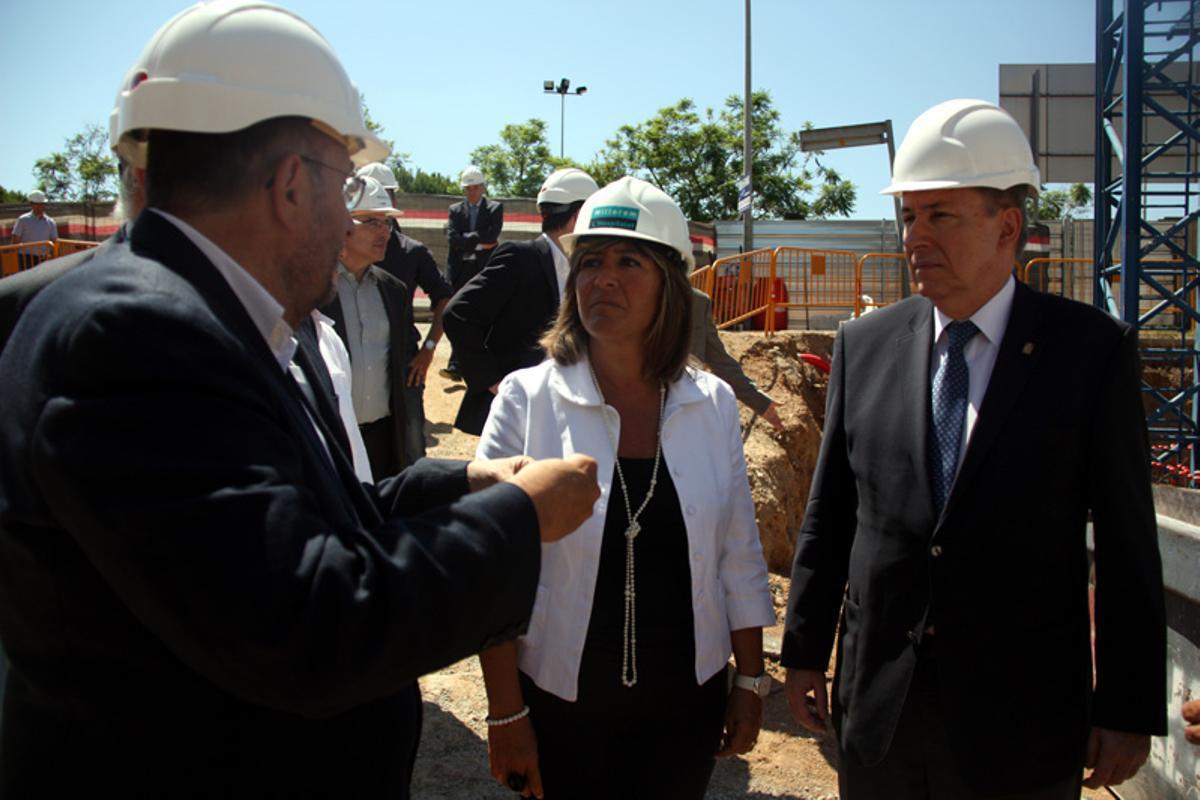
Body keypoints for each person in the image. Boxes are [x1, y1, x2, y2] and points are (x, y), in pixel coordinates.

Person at [0, 3, 600, 796]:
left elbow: (310, 518)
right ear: (290, 184)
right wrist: (521, 518)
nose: (353, 212)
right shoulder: (137, 335)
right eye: (343, 182)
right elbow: (310, 624)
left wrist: (460, 484)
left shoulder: (239, 325)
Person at [781, 99, 1166, 799]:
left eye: (941, 216)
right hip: (881, 720)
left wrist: (1128, 708)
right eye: (909, 216)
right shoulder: (863, 346)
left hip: (1019, 729)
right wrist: (804, 653)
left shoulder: (1090, 354)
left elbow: (1127, 548)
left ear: (1007, 226)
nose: (914, 238)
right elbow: (829, 515)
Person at [476, 176, 775, 800]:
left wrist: (749, 681)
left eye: (628, 261)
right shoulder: (525, 400)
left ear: (671, 283)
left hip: (685, 706)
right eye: (588, 262)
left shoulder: (712, 403)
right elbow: (490, 573)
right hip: (561, 701)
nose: (601, 278)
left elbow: (737, 552)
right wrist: (506, 713)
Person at [443, 167, 599, 435]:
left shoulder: (580, 269)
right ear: (577, 218)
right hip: (520, 411)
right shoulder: (520, 257)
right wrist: (492, 381)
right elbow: (458, 314)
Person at [357, 160, 452, 463]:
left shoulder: (413, 252)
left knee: (410, 445)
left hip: (404, 365)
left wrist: (429, 348)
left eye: (384, 196)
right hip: (355, 365)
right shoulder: (336, 254)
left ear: (394, 201)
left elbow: (444, 299)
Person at [322, 176, 415, 478]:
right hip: (331, 440)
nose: (385, 232)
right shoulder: (313, 290)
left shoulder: (394, 290)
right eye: (372, 222)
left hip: (383, 440)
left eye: (387, 222)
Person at [689, 288, 784, 431]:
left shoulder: (697, 302)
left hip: (684, 410)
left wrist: (759, 401)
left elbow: (718, 359)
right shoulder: (644, 299)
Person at [442, 164, 503, 381]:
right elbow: (452, 239)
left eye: (475, 187)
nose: (472, 192)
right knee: (457, 313)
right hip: (460, 271)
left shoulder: (495, 208)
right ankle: (456, 364)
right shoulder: (455, 210)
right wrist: (478, 242)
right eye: (468, 188)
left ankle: (465, 363)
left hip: (483, 270)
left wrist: (467, 240)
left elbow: (493, 236)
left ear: (482, 187)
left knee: (481, 316)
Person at [10, 189, 58, 270]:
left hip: (44, 258)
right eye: (37, 204)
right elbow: (15, 240)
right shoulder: (23, 220)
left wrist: (53, 256)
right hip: (26, 258)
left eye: (42, 204)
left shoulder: (50, 222)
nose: (40, 206)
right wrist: (12, 256)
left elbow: (55, 241)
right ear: (31, 204)